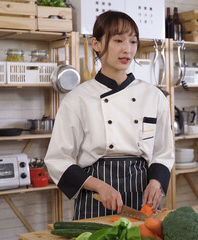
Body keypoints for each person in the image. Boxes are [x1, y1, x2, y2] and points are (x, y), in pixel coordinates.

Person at [45, 10, 174, 220]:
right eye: (118, 40)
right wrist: (99, 186)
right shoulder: (78, 99)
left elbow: (163, 152)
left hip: (141, 194)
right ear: (96, 44)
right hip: (96, 194)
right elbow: (58, 160)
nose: (127, 49)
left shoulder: (154, 96)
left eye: (133, 41)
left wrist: (156, 182)